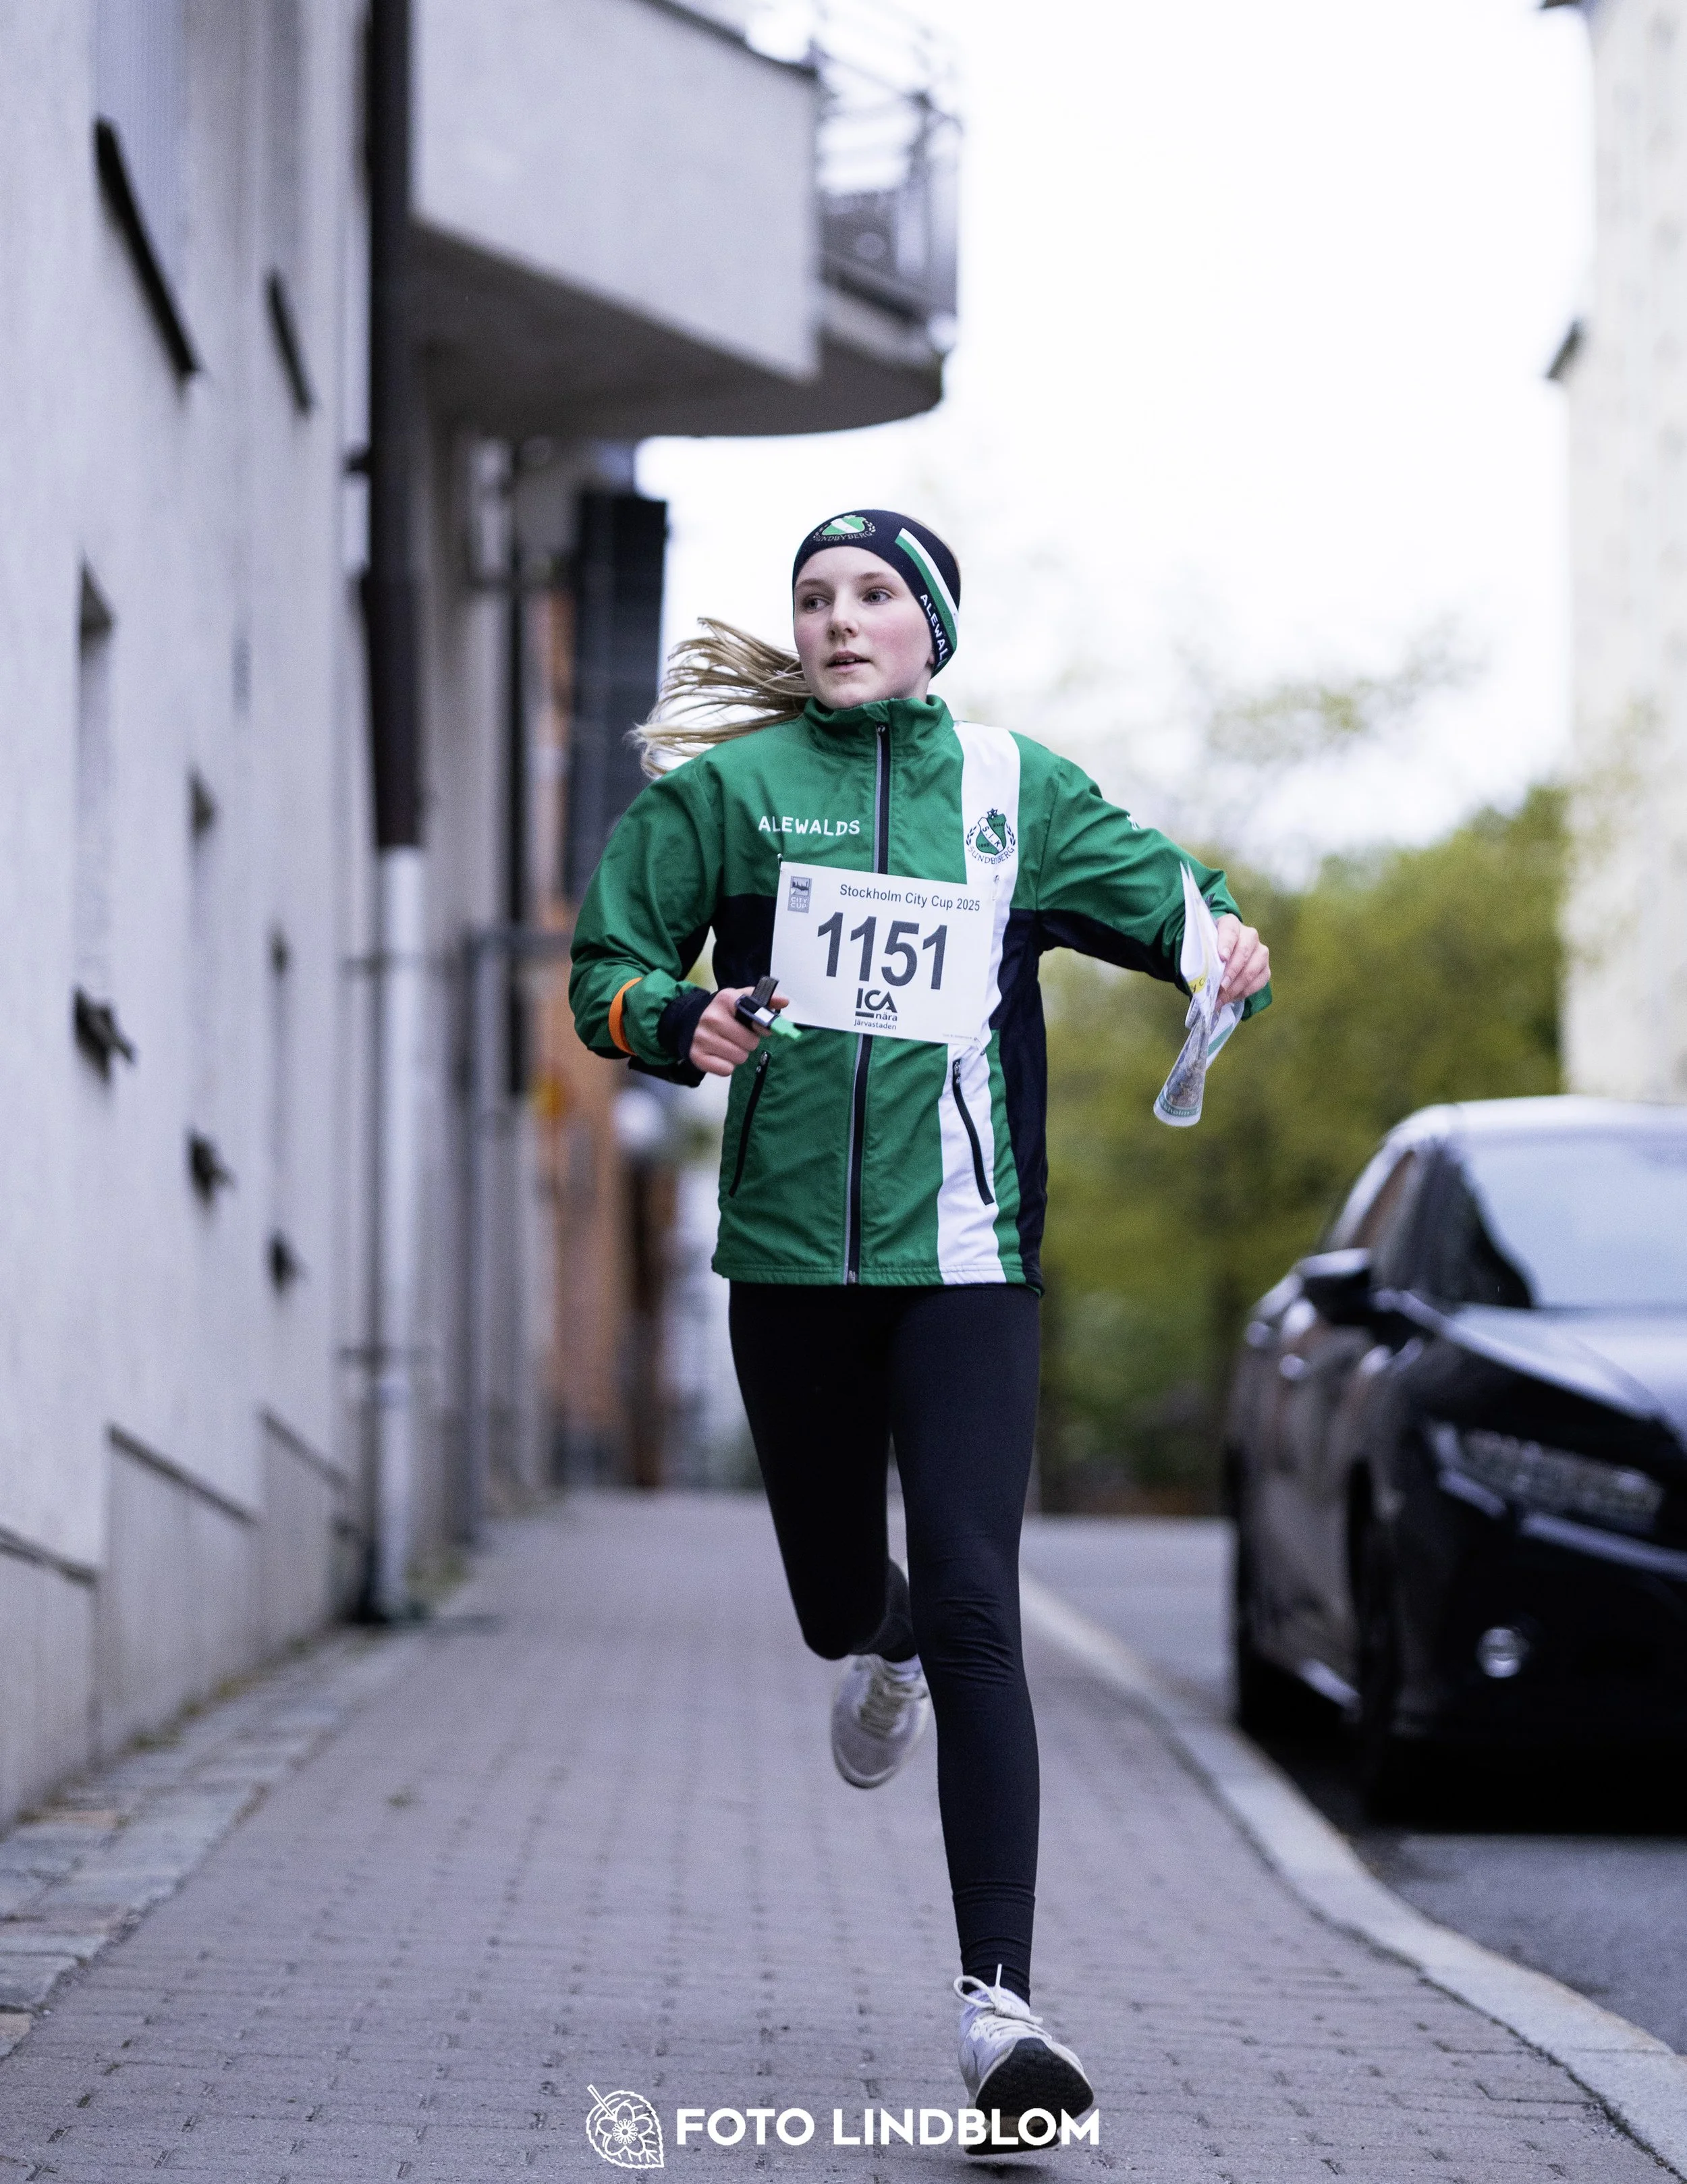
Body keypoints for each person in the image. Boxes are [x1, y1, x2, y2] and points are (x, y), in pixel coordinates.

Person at [570, 509, 1271, 2141]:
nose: (835, 616)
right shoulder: (728, 798)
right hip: (791, 1268)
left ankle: (999, 2011)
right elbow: (602, 968)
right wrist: (683, 1015)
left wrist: (1220, 948)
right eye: (813, 595)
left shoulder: (1016, 793)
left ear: (930, 625)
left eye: (872, 593)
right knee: (843, 1597)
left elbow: (1186, 905)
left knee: (976, 1601)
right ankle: (865, 1638)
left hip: (969, 1265)